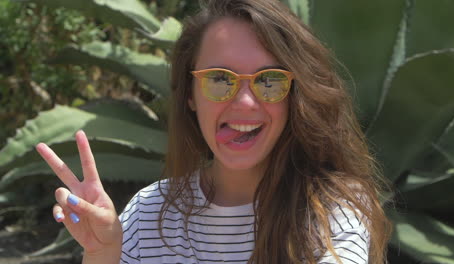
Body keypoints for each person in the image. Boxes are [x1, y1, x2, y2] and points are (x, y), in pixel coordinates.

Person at [35, 0, 392, 263]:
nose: (246, 103)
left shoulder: (332, 210)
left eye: (270, 81)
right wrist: (102, 254)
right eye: (220, 79)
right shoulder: (149, 213)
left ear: (293, 96)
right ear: (189, 95)